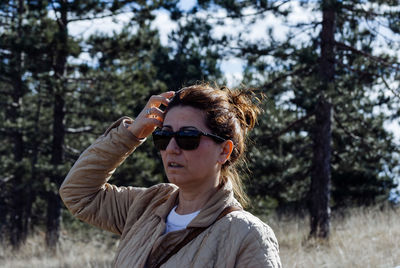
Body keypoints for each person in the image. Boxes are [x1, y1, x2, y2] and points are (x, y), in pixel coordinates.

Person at [59, 83, 281, 268]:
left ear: (224, 150)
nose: (172, 148)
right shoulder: (146, 206)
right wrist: (131, 133)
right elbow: (78, 193)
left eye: (188, 137)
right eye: (164, 136)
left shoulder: (247, 235)